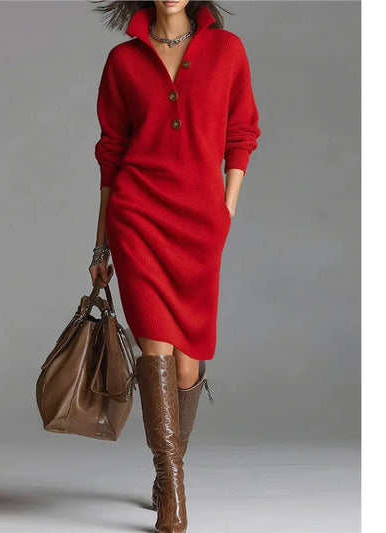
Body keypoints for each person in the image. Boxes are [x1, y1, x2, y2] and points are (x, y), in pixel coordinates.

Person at [89, 1, 260, 531]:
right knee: (155, 350)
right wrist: (100, 246)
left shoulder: (226, 51)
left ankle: (169, 472)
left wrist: (225, 211)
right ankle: (172, 484)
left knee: (187, 367)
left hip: (198, 225)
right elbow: (111, 153)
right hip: (137, 217)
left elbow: (241, 134)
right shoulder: (123, 61)